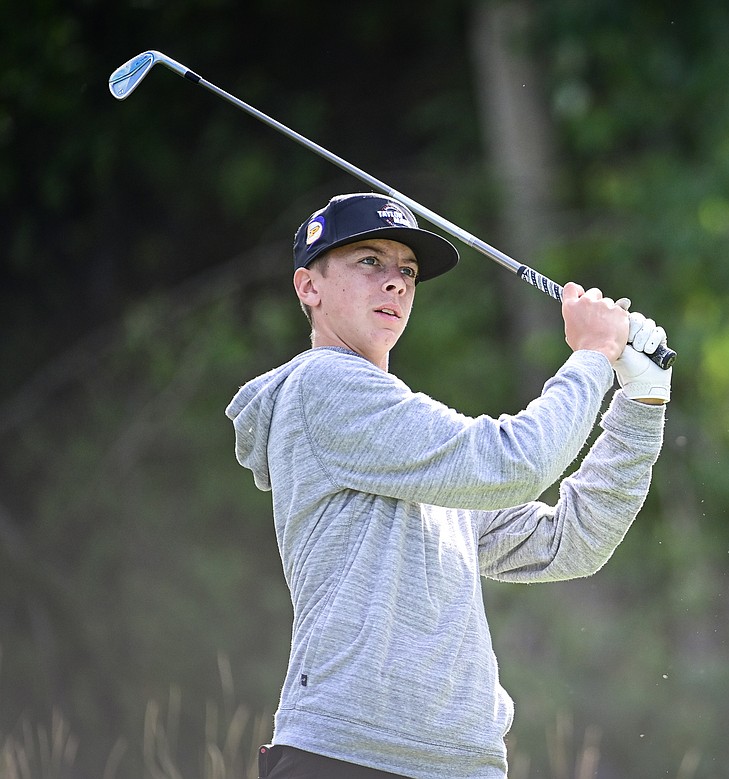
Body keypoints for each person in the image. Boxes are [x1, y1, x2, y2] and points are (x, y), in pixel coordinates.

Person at [225, 192, 672, 779]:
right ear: (308, 287)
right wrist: (592, 354)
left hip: (461, 764)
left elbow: (572, 540)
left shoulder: (411, 441)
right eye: (369, 262)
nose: (396, 284)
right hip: (345, 755)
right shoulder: (323, 387)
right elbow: (516, 463)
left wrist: (641, 404)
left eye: (407, 271)